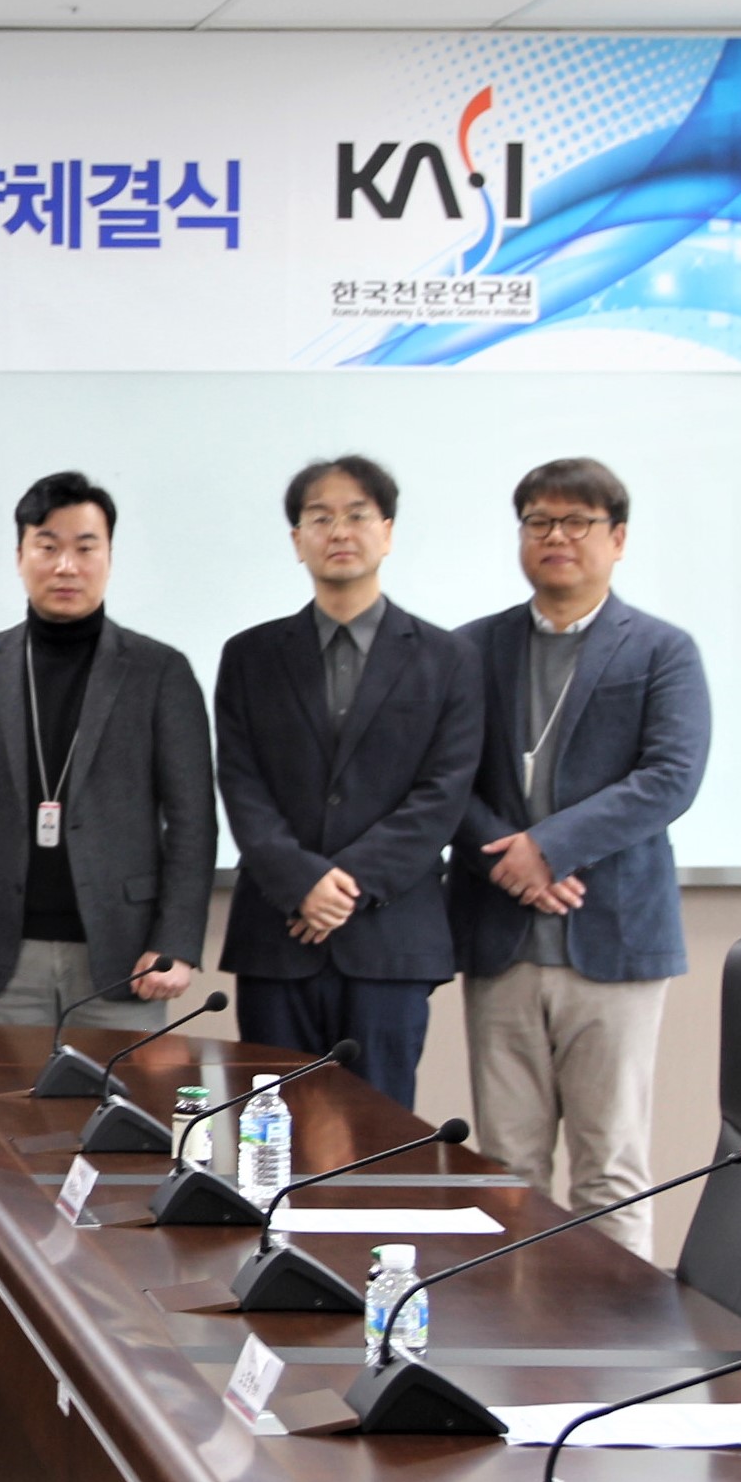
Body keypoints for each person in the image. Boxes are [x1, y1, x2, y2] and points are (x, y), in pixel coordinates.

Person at [449, 459, 710, 1259]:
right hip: (501, 940)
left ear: (616, 538)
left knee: (609, 1169)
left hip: (615, 942)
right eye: (537, 522)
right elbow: (442, 777)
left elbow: (669, 777)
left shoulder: (662, 649)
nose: (554, 537)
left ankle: (612, 1360)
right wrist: (509, 858)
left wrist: (549, 847)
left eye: (576, 522)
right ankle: (507, 1348)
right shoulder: (468, 648)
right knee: (505, 1166)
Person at [216, 456, 479, 1109]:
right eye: (319, 517)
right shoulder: (249, 655)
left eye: (357, 515)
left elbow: (442, 792)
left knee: (379, 1140)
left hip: (388, 943)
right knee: (271, 1133)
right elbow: (240, 783)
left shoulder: (448, 658)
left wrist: (342, 887)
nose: (339, 530)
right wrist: (300, 882)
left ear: (386, 531)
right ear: (296, 539)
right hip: (277, 937)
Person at [0, 472, 217, 1033]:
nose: (66, 566)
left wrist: (175, 943)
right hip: (4, 956)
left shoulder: (160, 671)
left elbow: (192, 822)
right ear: (19, 556)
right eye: (48, 547)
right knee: (6, 1115)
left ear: (109, 556)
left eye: (85, 548)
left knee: (123, 1116)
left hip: (125, 955)